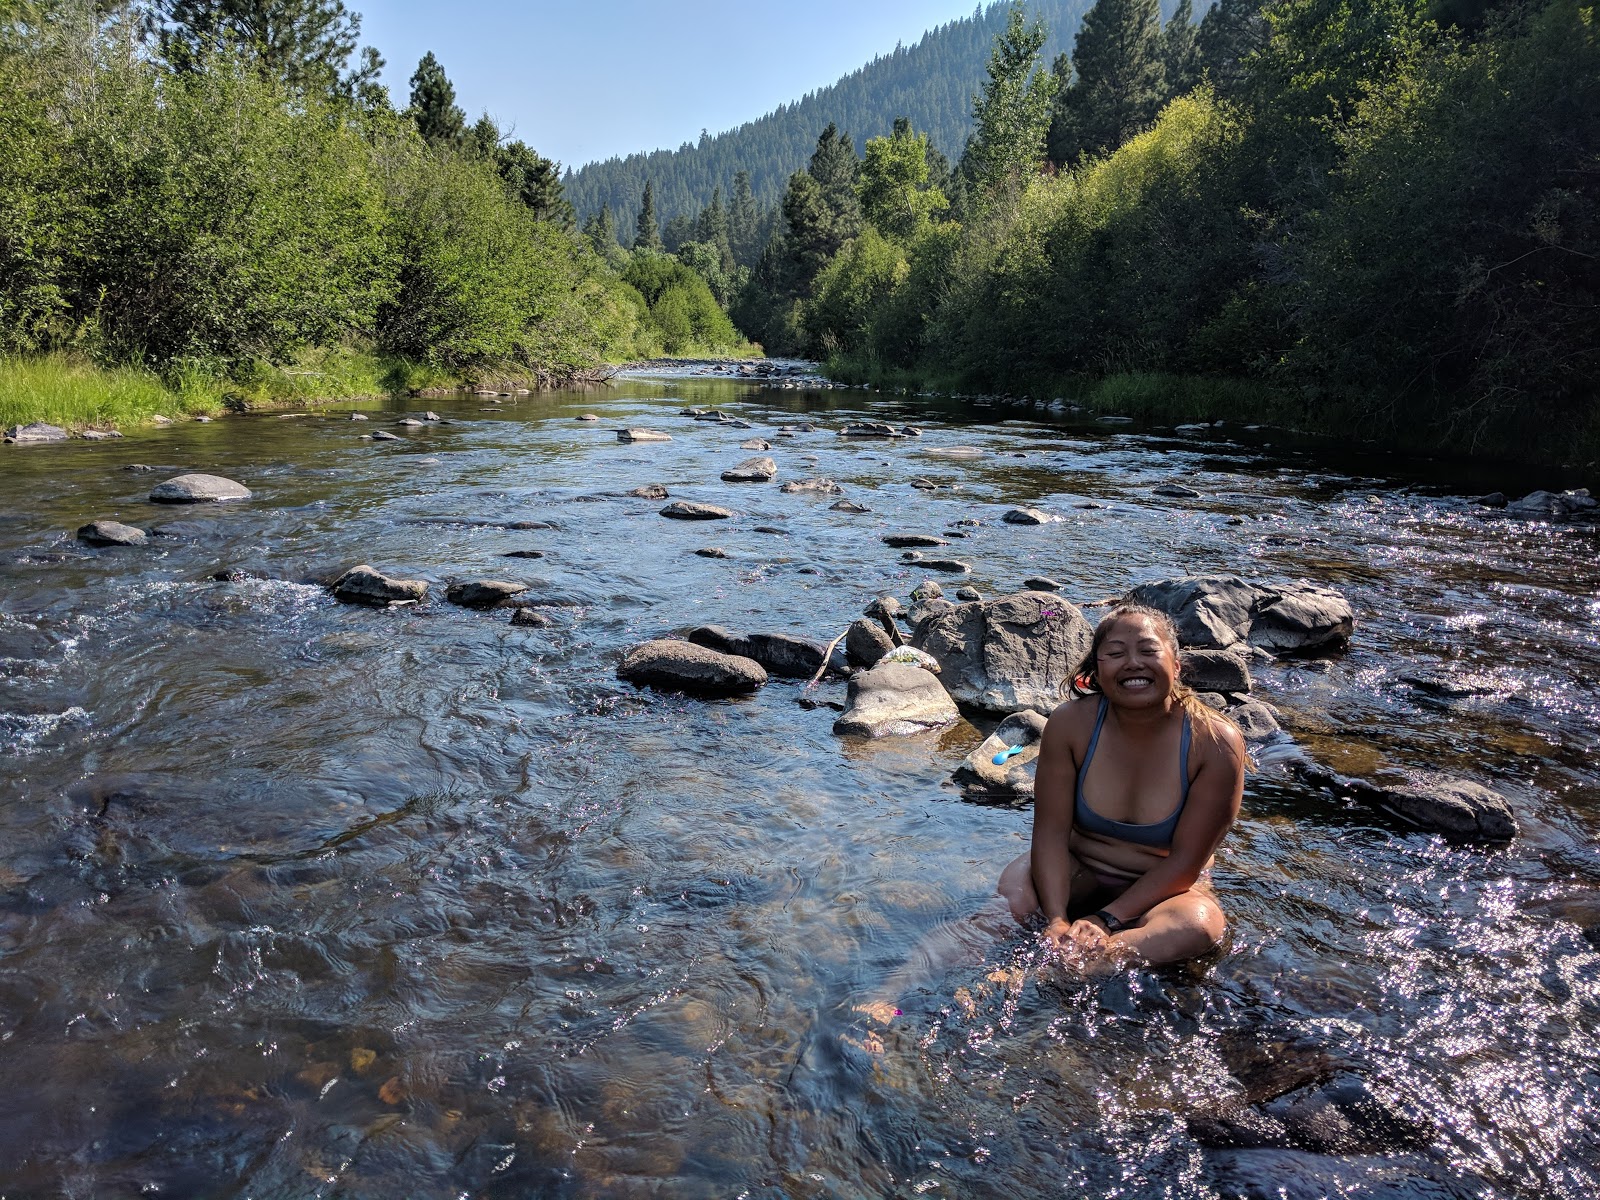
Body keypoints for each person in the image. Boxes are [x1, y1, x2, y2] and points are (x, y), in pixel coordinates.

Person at [996, 603, 1246, 973]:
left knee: (1198, 925)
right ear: (1097, 670)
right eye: (1115, 653)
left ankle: (1055, 970)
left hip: (1166, 888)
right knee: (1011, 896)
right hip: (1077, 868)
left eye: (1148, 651)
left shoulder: (1214, 742)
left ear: (1176, 665)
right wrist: (1056, 918)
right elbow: (1049, 833)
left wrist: (1105, 920)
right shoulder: (1070, 725)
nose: (1133, 663)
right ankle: (896, 991)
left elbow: (1185, 863)